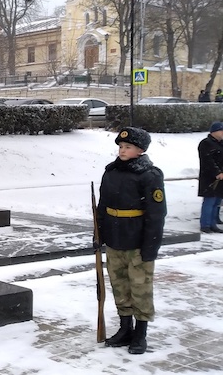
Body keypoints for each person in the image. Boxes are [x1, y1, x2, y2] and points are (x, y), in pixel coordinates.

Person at [97, 127, 166, 355]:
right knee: (119, 285)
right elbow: (102, 206)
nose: (122, 150)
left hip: (137, 240)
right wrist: (99, 234)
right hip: (115, 239)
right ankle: (125, 328)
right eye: (120, 147)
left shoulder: (150, 175)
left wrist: (151, 246)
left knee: (140, 288)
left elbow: (156, 215)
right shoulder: (111, 172)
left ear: (140, 150)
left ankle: (140, 333)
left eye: (127, 147)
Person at [197, 122, 223, 233]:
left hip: (221, 178)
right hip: (210, 178)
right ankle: (206, 224)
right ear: (214, 131)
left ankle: (213, 223)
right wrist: (217, 172)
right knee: (209, 201)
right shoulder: (206, 144)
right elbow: (207, 161)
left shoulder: (220, 143)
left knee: (217, 201)